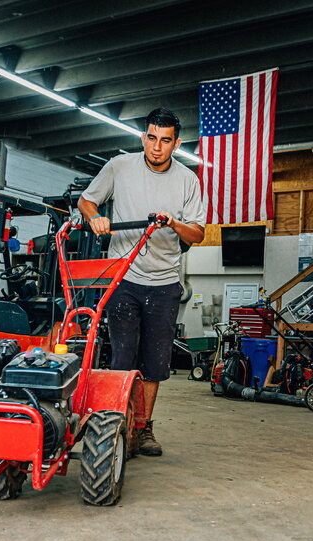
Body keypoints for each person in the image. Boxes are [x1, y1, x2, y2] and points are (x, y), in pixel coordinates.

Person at [77, 108, 206, 456]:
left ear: (176, 144)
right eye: (151, 137)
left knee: (154, 362)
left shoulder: (187, 180)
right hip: (124, 277)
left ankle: (143, 428)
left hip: (164, 283)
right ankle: (118, 423)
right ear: (143, 137)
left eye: (165, 141)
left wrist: (173, 223)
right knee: (122, 356)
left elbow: (197, 233)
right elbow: (87, 200)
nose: (157, 147)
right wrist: (95, 217)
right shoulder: (120, 167)